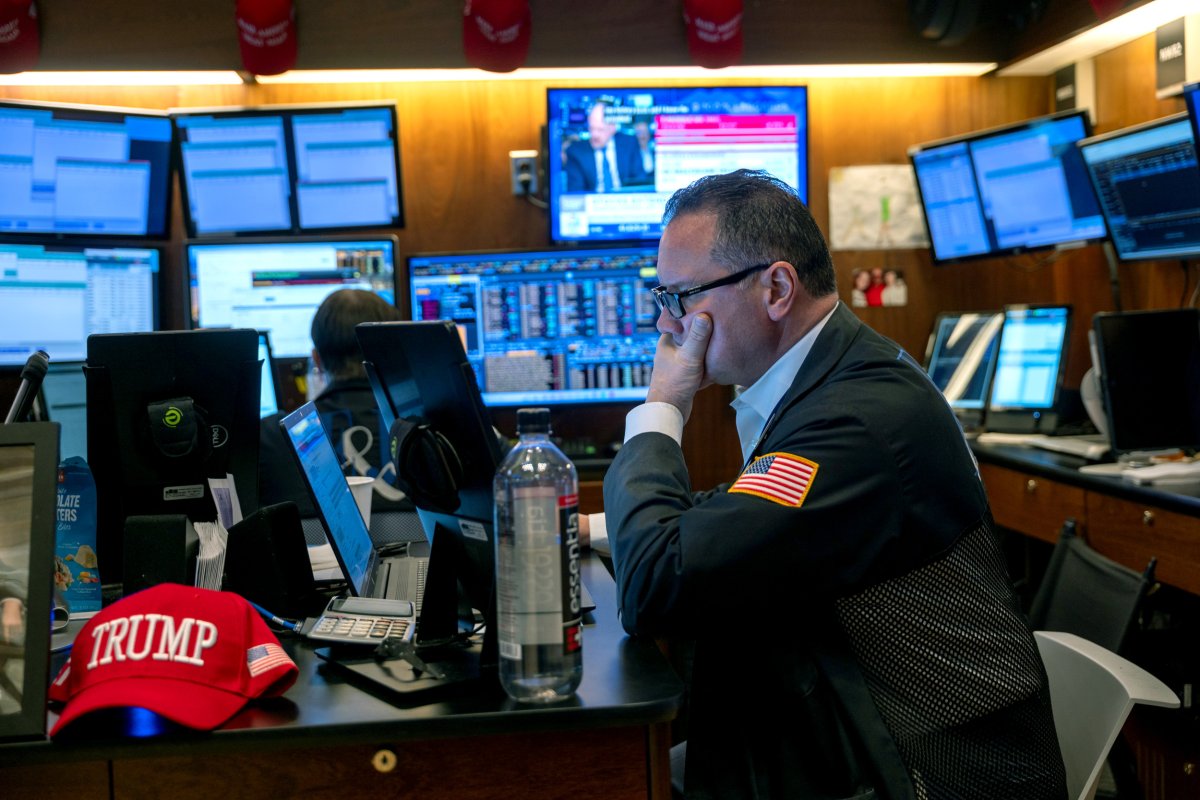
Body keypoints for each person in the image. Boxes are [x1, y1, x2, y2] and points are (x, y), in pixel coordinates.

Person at [600, 170, 1065, 798]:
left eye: (682, 296)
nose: (666, 324)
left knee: (617, 780)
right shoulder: (832, 376)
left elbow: (656, 586)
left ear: (777, 288)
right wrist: (599, 530)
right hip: (847, 728)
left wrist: (661, 410)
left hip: (916, 773)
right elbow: (753, 512)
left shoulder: (855, 420)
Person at [258, 289, 410, 519]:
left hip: (313, 557)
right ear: (390, 354)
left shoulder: (271, 437)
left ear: (316, 358)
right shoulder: (428, 433)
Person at [564, 100, 648, 192]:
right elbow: (576, 193)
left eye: (600, 130)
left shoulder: (629, 143)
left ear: (613, 127)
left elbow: (639, 182)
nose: (595, 135)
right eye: (591, 128)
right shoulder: (576, 152)